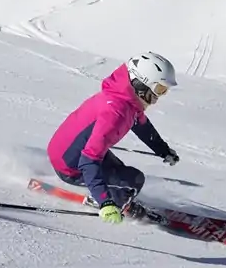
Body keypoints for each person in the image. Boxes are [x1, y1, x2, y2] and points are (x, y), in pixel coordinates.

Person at [47, 51, 180, 224]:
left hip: (69, 151)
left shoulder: (125, 101)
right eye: (159, 89)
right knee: (134, 180)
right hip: (70, 166)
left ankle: (115, 194)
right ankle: (111, 201)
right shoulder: (115, 113)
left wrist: (163, 150)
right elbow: (88, 160)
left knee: (122, 174)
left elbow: (141, 125)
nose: (159, 97)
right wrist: (105, 202)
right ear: (140, 84)